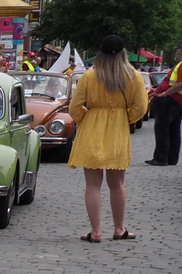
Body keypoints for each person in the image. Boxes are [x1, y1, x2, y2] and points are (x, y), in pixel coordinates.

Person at [69, 35, 150, 242]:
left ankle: (95, 232)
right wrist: (125, 118)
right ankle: (119, 229)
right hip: (117, 130)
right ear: (123, 54)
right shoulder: (134, 76)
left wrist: (87, 119)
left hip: (92, 130)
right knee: (117, 184)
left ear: (100, 54)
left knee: (93, 185)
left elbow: (75, 107)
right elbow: (141, 107)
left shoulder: (89, 77)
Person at [146, 55, 181, 165]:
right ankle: (172, 158)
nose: (176, 52)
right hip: (177, 101)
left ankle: (160, 158)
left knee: (162, 129)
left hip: (170, 100)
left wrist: (164, 94)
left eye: (177, 50)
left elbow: (179, 84)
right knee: (174, 130)